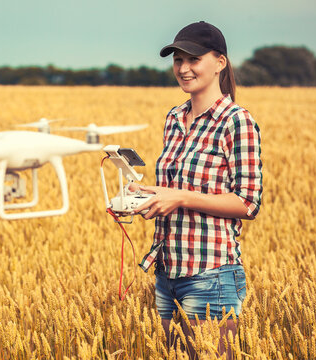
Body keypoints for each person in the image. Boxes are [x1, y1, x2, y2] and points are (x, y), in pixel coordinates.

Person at [131, 21, 263, 359]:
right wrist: (148, 195)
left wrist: (180, 197)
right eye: (177, 60)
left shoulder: (236, 121)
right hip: (167, 274)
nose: (184, 68)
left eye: (193, 59)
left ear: (220, 62)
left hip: (211, 274)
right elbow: (176, 189)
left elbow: (248, 203)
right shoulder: (174, 118)